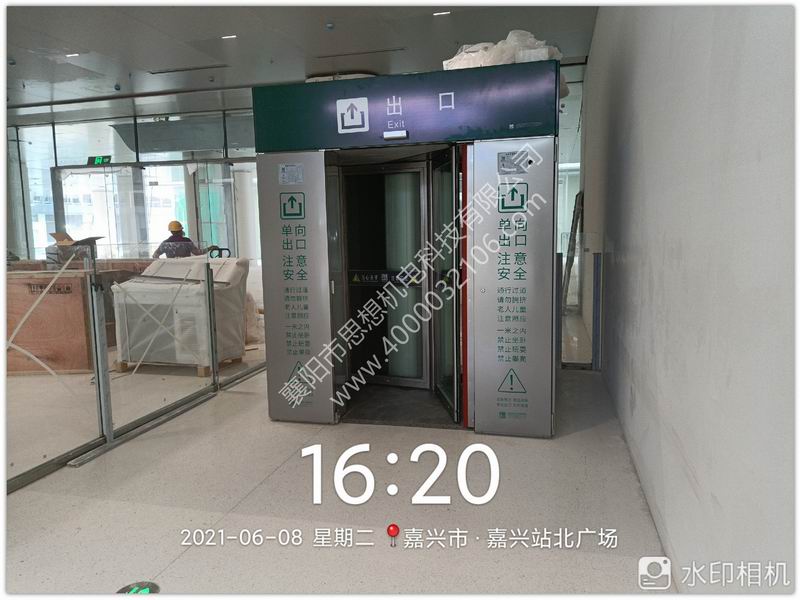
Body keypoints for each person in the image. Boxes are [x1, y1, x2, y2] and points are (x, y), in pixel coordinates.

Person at [152, 221, 217, 259]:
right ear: (181, 230)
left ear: (171, 231)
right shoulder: (186, 241)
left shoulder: (165, 243)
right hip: (186, 267)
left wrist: (163, 264)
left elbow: (155, 256)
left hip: (171, 268)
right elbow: (198, 252)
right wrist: (210, 248)